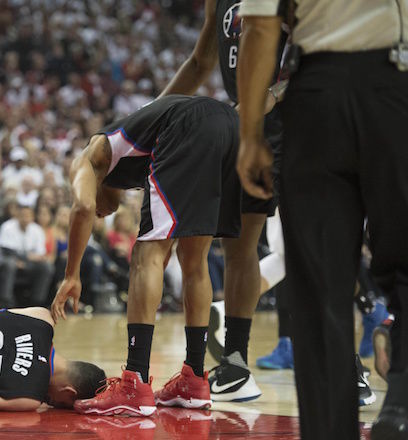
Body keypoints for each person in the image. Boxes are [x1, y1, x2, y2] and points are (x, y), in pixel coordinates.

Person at [235, 1, 408, 439]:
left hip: (315, 95)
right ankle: (401, 400)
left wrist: (251, 133)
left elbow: (259, 25)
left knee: (318, 294)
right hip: (395, 80)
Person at [51, 94, 240, 416]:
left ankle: (134, 383)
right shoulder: (135, 152)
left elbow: (81, 206)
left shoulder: (89, 157)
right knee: (195, 262)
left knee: (146, 256)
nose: (99, 214)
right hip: (231, 125)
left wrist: (72, 274)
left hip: (188, 125)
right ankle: (194, 379)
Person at [158, 0, 290, 402]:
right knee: (239, 245)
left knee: (318, 245)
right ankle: (235, 360)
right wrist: (152, 114)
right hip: (244, 129)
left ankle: (348, 364)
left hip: (301, 124)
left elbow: (316, 58)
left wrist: (272, 93)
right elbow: (200, 62)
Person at [0, 204, 54, 307]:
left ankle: (37, 302)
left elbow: (40, 254)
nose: (25, 218)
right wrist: (27, 257)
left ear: (33, 217)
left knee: (46, 266)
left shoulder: (37, 229)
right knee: (10, 263)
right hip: (1, 260)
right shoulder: (7, 226)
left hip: (26, 263)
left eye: (28, 215)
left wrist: (27, 260)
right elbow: (6, 250)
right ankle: (6, 302)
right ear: (17, 216)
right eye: (23, 215)